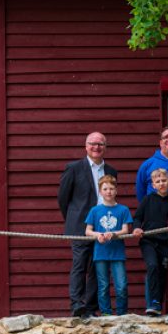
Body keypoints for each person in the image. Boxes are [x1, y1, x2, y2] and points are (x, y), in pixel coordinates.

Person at [58, 132, 117, 318]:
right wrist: (72, 220)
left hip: (103, 227)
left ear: (105, 147)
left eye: (100, 144)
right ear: (86, 146)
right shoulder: (74, 168)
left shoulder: (111, 171)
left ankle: (91, 308)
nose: (96, 147)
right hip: (79, 226)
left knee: (97, 267)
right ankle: (77, 304)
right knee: (80, 265)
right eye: (93, 144)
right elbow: (63, 198)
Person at [83, 175, 132, 316]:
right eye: (105, 189)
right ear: (100, 192)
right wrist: (98, 234)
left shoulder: (123, 209)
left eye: (111, 188)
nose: (109, 191)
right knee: (103, 286)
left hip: (117, 253)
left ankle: (122, 313)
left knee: (121, 285)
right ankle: (106, 313)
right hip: (101, 253)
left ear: (116, 190)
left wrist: (114, 234)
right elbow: (88, 231)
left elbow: (125, 230)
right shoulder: (95, 211)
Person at [132, 168, 168, 316]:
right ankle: (152, 303)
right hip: (149, 241)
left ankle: (158, 304)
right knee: (152, 266)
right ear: (153, 185)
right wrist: (137, 228)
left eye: (164, 181)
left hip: (166, 242)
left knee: (162, 272)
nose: (161, 183)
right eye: (158, 181)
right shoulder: (147, 200)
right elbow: (137, 217)